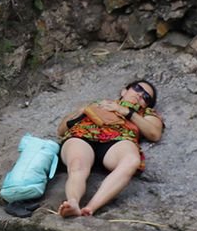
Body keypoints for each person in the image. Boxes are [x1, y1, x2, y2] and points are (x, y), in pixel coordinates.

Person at [55, 79, 164, 217]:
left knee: (131, 161)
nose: (140, 95)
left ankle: (90, 208)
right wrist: (82, 111)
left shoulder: (145, 113)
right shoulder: (99, 103)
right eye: (137, 88)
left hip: (119, 140)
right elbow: (61, 130)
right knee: (78, 163)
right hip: (82, 135)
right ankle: (73, 202)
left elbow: (154, 133)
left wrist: (127, 112)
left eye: (146, 97)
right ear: (124, 90)